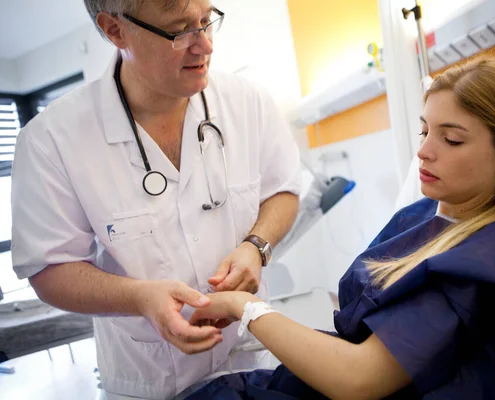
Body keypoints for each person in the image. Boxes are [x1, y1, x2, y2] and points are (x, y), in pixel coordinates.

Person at [183, 58, 495, 400]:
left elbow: (359, 377)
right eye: (424, 131)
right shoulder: (421, 215)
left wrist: (245, 306)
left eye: (451, 139)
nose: (423, 151)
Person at [10, 0, 300, 399]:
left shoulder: (246, 101)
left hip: (251, 359)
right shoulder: (51, 141)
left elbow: (283, 191)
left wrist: (256, 246)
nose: (205, 45)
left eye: (207, 20)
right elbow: (48, 268)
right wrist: (139, 298)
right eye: (181, 30)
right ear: (115, 30)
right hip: (149, 381)